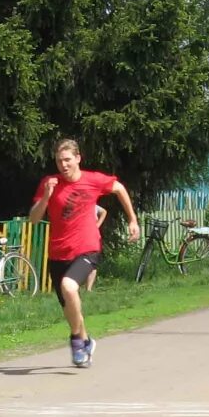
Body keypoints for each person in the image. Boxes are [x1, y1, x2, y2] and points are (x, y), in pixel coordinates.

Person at [29, 138, 140, 368]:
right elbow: (34, 218)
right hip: (58, 252)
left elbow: (118, 188)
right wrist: (47, 197)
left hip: (87, 248)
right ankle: (86, 340)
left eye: (68, 159)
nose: (64, 165)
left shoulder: (93, 180)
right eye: (59, 161)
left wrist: (132, 219)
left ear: (78, 158)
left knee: (70, 287)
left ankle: (76, 341)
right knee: (70, 308)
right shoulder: (49, 183)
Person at [85, 205, 107, 292]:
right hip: (78, 236)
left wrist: (98, 224)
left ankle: (88, 289)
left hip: (92, 236)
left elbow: (104, 211)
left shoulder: (92, 205)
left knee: (92, 261)